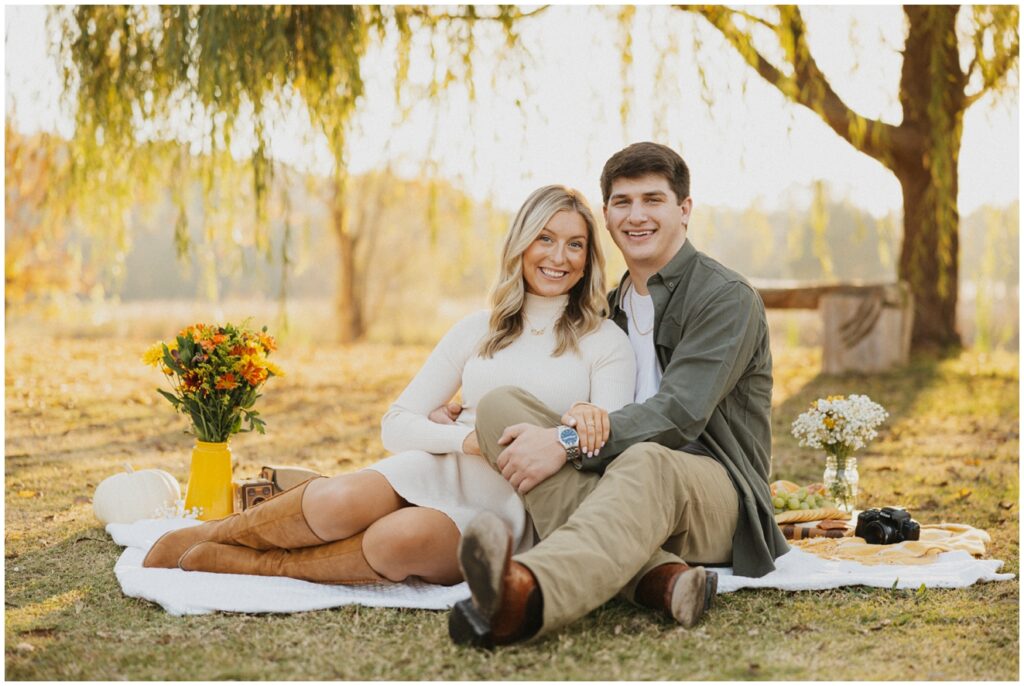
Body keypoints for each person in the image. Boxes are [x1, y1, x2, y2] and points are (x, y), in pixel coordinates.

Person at [142, 185, 636, 587]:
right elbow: (396, 424)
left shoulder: (604, 341)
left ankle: (257, 565)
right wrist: (464, 438)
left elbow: (608, 444)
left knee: (395, 540)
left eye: (575, 244)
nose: (559, 257)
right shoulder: (476, 329)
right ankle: (217, 533)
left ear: (590, 256)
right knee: (337, 501)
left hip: (513, 508)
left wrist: (570, 433)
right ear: (521, 245)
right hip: (441, 467)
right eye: (545, 239)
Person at [447, 142, 790, 647]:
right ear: (606, 216)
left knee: (648, 459)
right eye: (622, 202)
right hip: (617, 480)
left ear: (684, 210)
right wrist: (467, 413)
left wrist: (563, 442)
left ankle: (525, 592)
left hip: (716, 493)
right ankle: (660, 580)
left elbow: (680, 415)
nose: (637, 216)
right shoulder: (606, 309)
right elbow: (564, 389)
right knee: (502, 407)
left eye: (653, 200)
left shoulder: (724, 298)